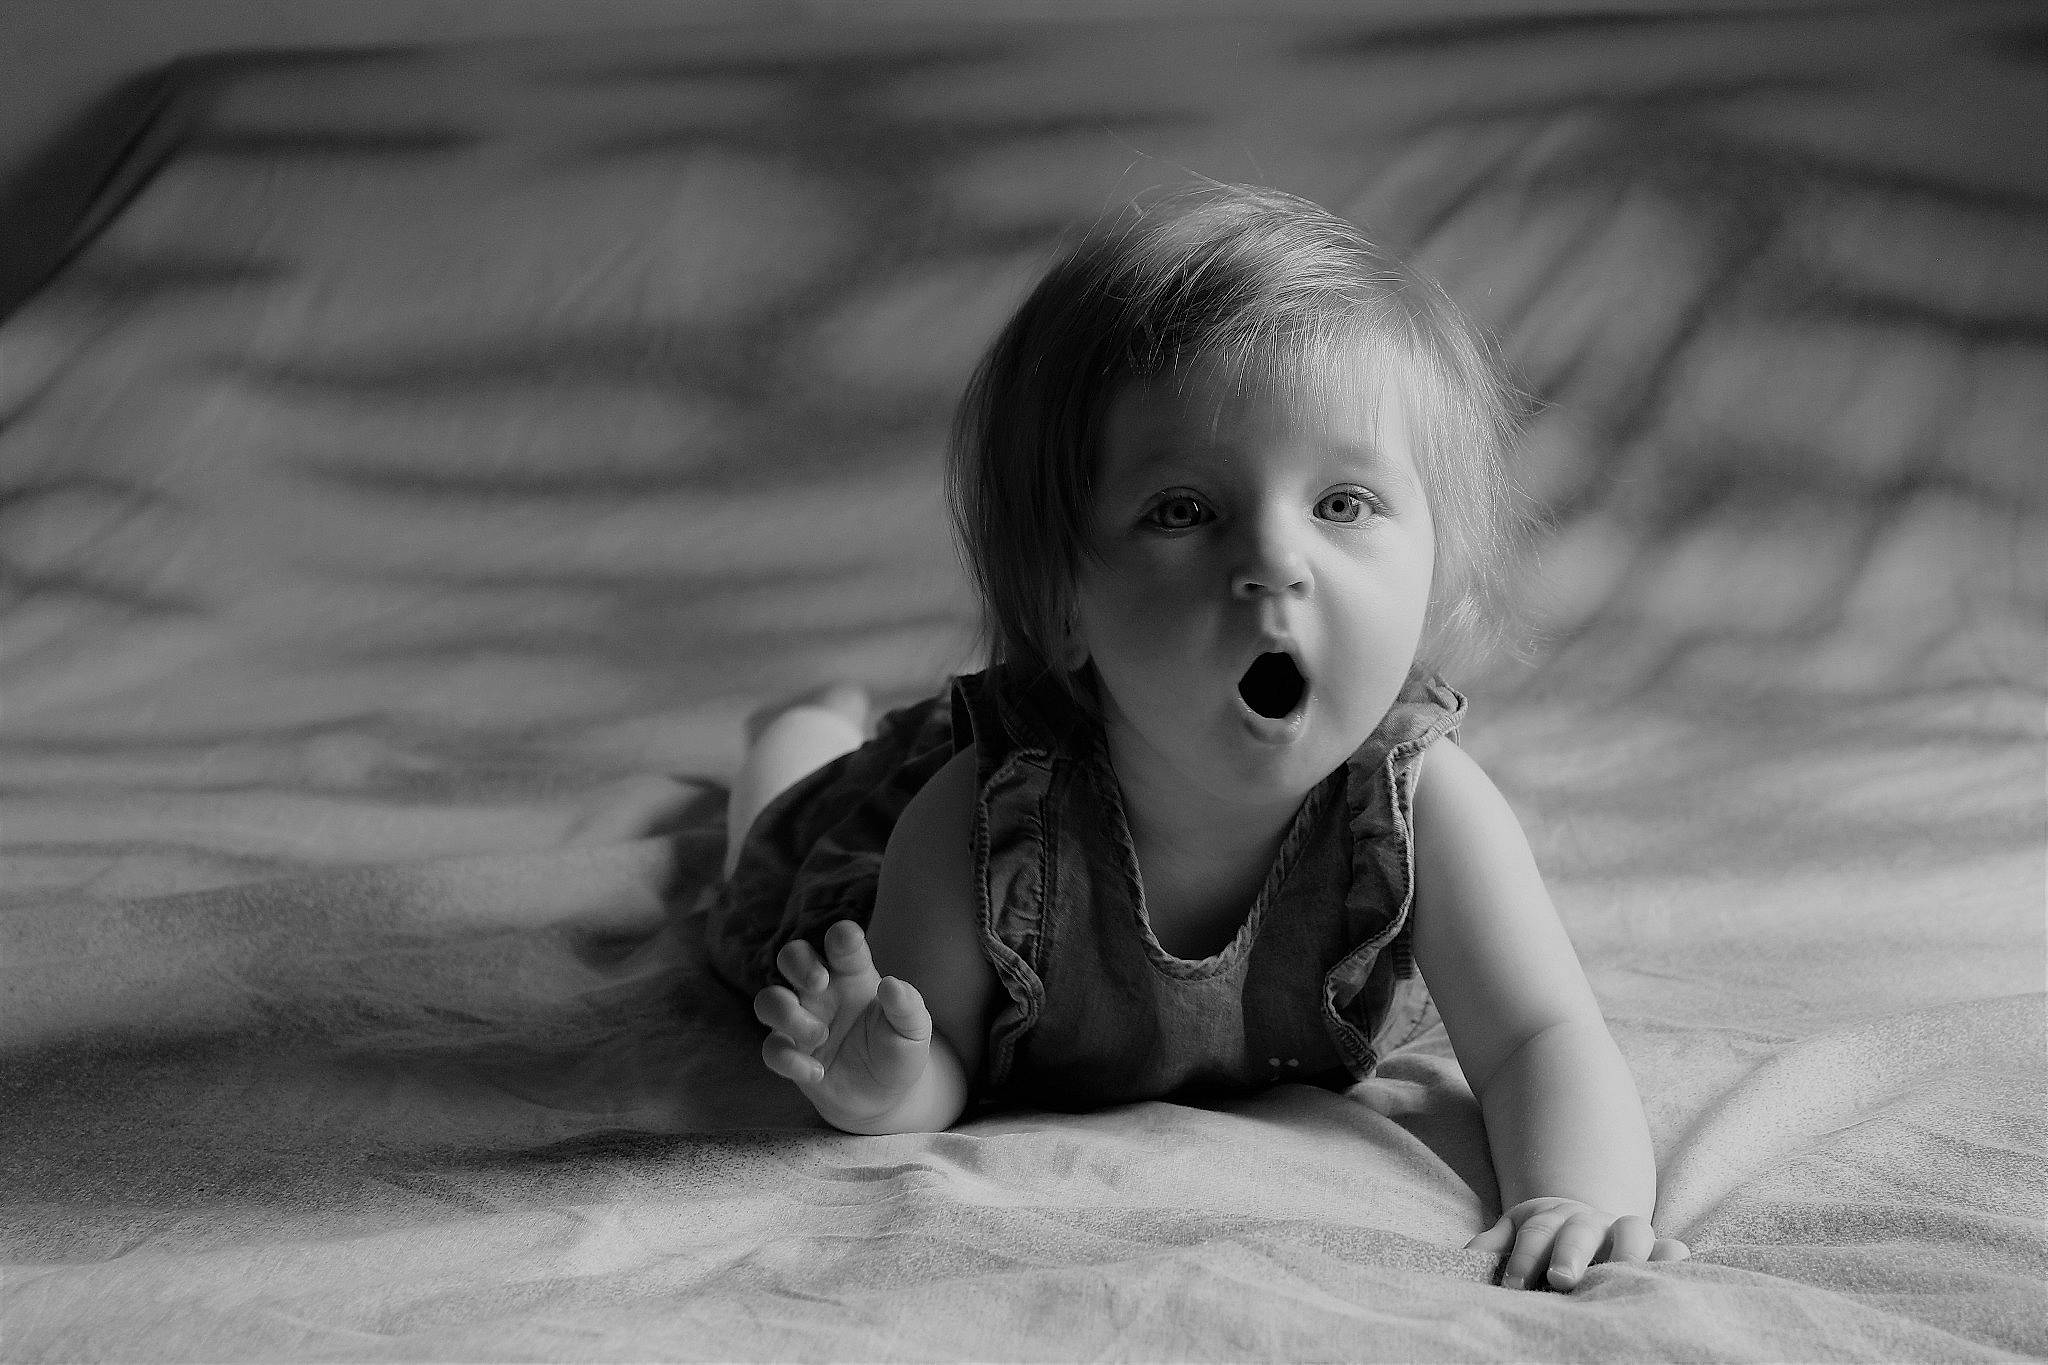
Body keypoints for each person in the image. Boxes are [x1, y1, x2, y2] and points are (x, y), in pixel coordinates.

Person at [707, 184, 1690, 1292]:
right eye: (1182, 510)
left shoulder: (1424, 810)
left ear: (1432, 563)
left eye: (1344, 504)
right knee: (770, 863)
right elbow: (936, 1058)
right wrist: (876, 1082)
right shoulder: (979, 821)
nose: (1275, 562)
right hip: (881, 834)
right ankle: (793, 734)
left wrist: (1577, 1196)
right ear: (1062, 599)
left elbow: (1538, 1039)